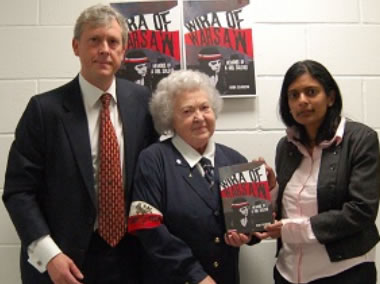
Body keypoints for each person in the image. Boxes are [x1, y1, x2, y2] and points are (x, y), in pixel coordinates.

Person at [2, 4, 157, 284]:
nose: (104, 49)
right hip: (64, 262)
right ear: (76, 46)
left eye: (113, 41)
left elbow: (164, 169)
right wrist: (48, 255)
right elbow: (18, 191)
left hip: (131, 257)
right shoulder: (44, 110)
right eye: (94, 40)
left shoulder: (143, 102)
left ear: (123, 50)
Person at [127, 69, 258, 284]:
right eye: (187, 111)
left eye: (204, 108)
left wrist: (247, 234)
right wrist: (196, 276)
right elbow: (147, 228)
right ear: (170, 119)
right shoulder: (153, 160)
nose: (199, 117)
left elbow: (251, 226)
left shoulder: (236, 160)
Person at [257, 60, 380, 284]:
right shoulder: (286, 145)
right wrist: (273, 188)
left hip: (344, 273)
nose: (302, 101)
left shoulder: (361, 139)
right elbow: (289, 205)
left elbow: (361, 210)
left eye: (311, 92)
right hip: (287, 272)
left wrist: (290, 229)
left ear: (330, 97)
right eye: (293, 95)